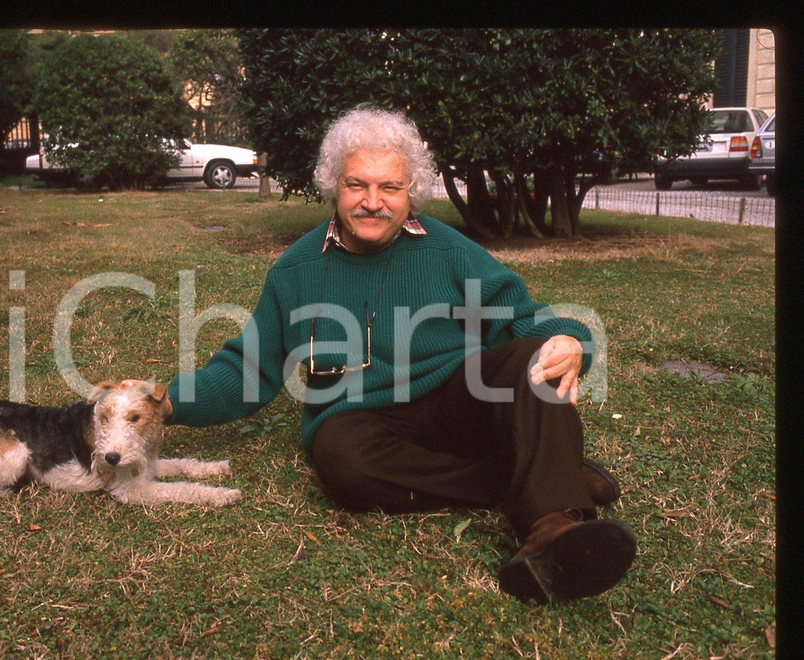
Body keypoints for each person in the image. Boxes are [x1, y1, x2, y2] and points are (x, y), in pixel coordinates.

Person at [161, 105, 636, 603]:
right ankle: (533, 472)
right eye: (356, 185)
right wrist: (169, 401)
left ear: (411, 194)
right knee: (341, 464)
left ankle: (554, 526)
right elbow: (249, 368)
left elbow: (520, 316)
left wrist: (568, 339)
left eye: (390, 188)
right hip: (363, 418)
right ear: (332, 187)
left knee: (532, 359)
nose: (373, 202)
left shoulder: (448, 250)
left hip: (458, 397)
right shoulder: (295, 270)